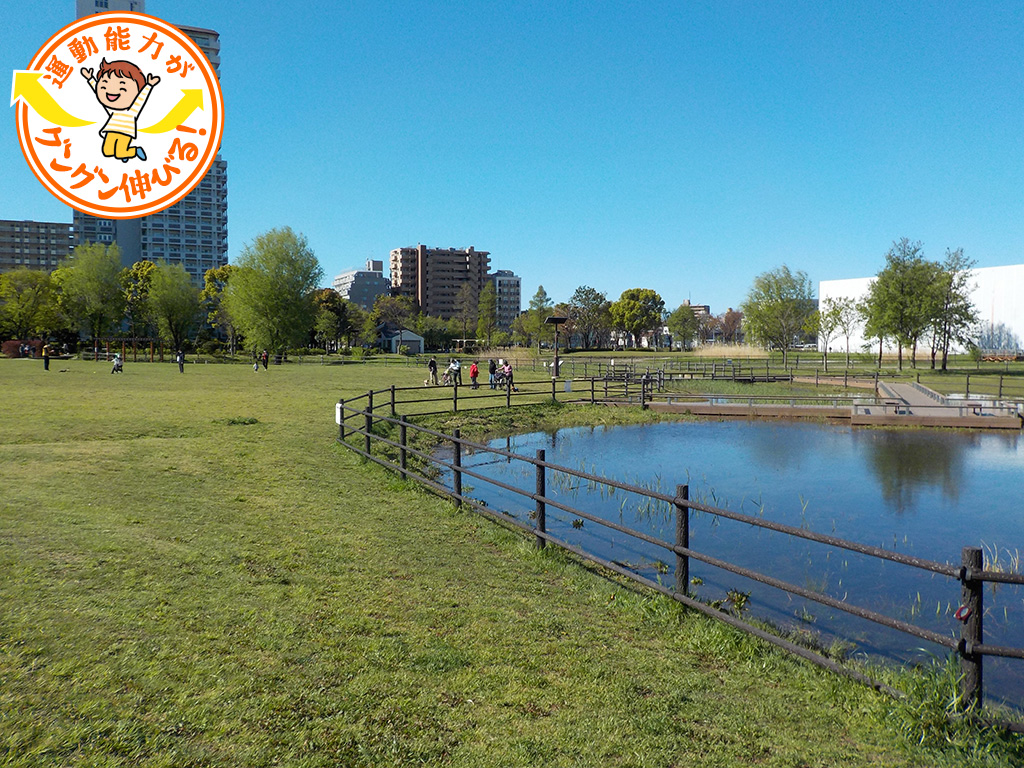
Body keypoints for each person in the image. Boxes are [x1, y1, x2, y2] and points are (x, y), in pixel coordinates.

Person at [81, 59, 159, 163]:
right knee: (107, 151)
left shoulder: (133, 110)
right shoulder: (112, 109)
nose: (112, 90)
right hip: (111, 130)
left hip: (125, 132)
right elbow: (98, 90)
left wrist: (149, 85)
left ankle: (134, 151)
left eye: (122, 85)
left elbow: (142, 98)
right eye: (105, 83)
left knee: (120, 153)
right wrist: (90, 78)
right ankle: (125, 153)